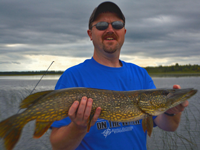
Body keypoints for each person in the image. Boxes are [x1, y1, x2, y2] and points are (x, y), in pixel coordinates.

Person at [50, 1, 189, 150]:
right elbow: (58, 145)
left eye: (117, 24)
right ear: (90, 34)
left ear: (124, 32)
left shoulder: (140, 74)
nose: (110, 29)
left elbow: (170, 126)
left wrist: (171, 111)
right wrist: (78, 127)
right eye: (102, 25)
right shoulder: (72, 77)